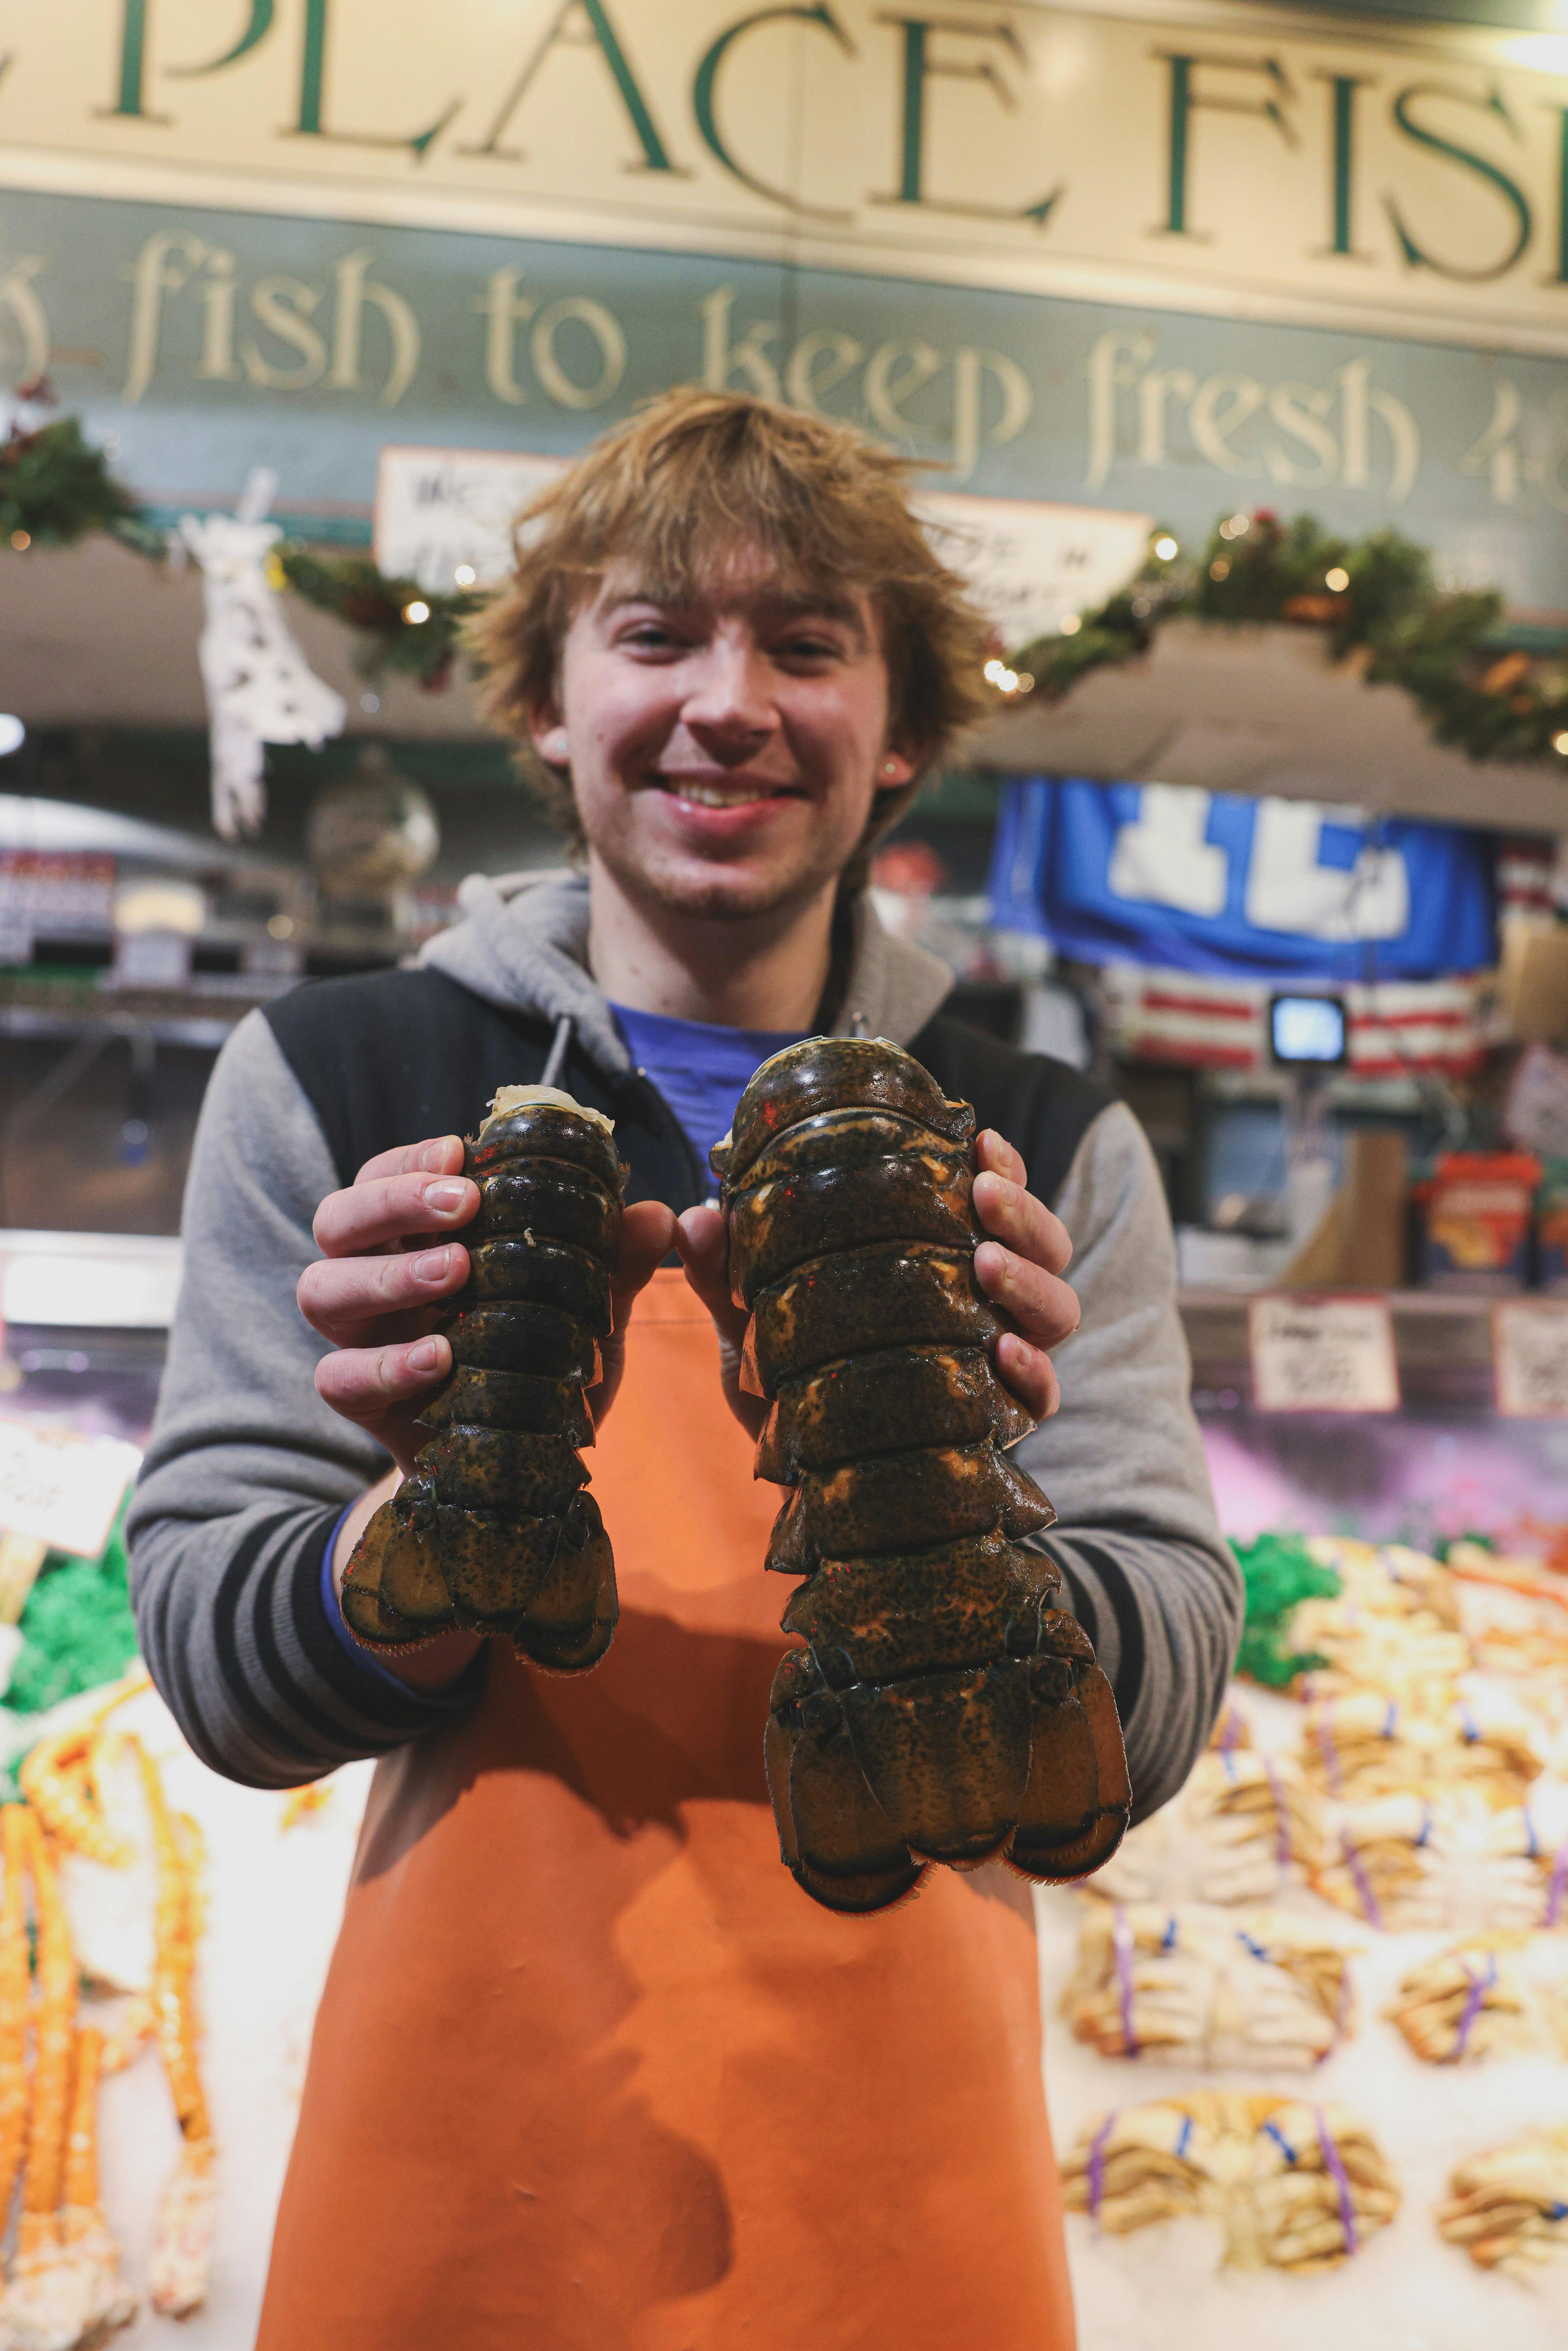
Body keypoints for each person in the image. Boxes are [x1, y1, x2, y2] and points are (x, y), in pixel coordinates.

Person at [127, 389, 1241, 2350]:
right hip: (475, 2149)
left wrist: (986, 1527)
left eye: (806, 644)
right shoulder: (329, 1078)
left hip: (901, 2150)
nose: (728, 703)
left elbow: (1157, 1677)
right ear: (550, 704)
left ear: (900, 729)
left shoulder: (1053, 1138)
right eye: (654, 634)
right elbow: (216, 1660)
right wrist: (400, 1526)